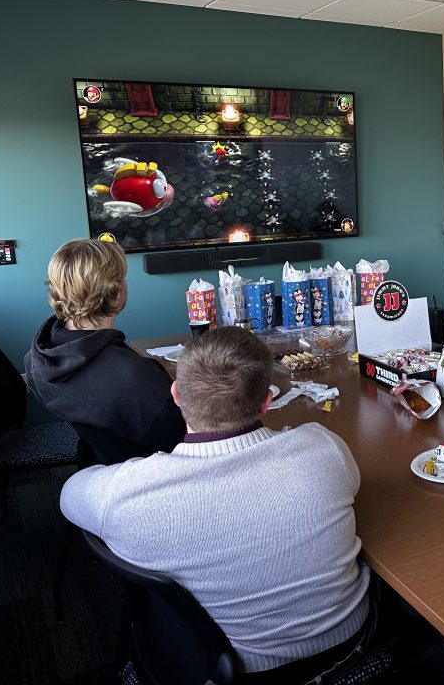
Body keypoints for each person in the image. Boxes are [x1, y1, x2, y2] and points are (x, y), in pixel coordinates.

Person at [60, 327, 371, 678]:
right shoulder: (324, 448)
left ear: (176, 395)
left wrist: (136, 469)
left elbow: (69, 494)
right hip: (352, 646)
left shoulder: (128, 495)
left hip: (237, 670)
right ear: (267, 400)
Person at [25, 238, 184, 463]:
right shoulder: (132, 376)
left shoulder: (38, 358)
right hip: (151, 479)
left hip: (98, 467)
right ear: (116, 291)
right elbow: (188, 439)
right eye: (122, 277)